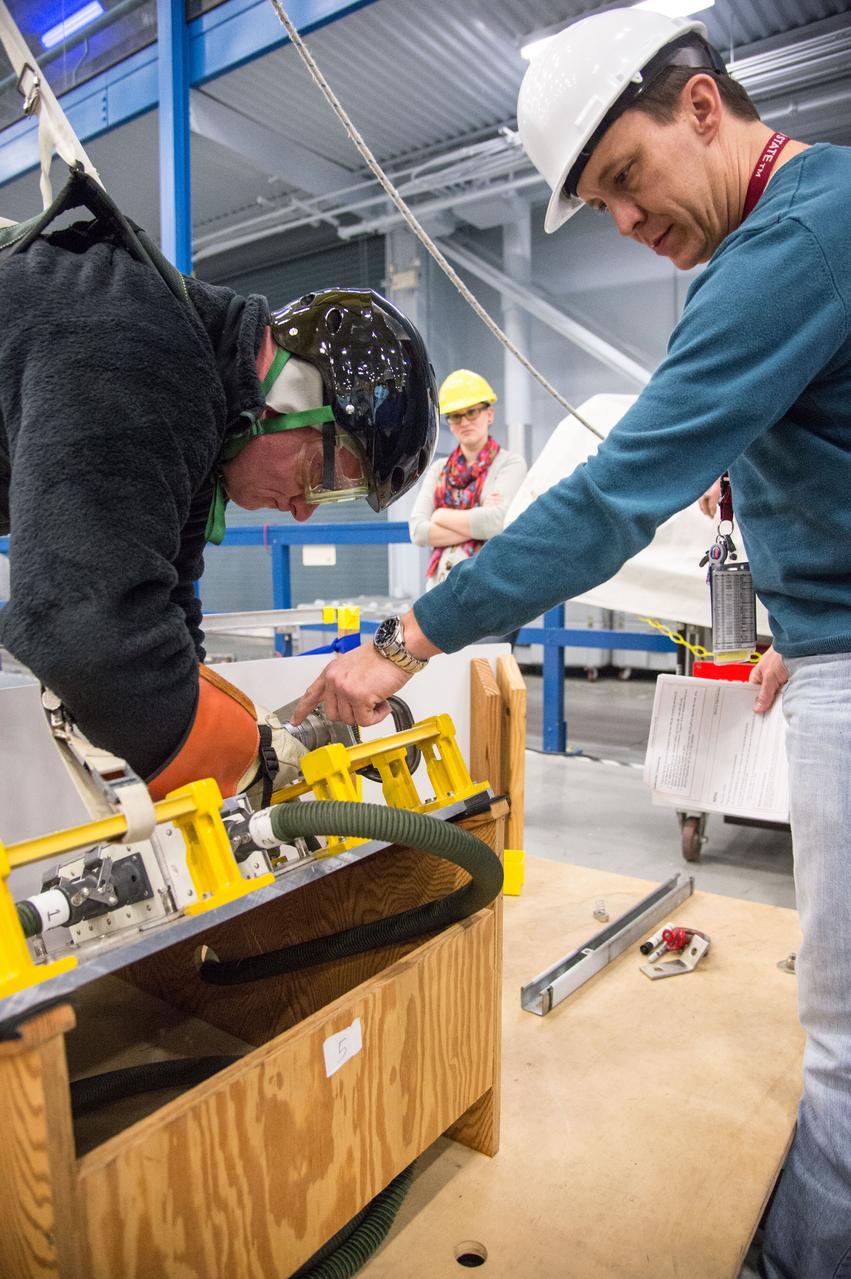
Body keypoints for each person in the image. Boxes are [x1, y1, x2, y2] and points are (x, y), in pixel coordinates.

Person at [293, 9, 851, 1275]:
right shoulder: (804, 228)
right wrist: (797, 620)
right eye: (599, 203)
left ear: (701, 106)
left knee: (841, 1043)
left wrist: (405, 639)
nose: (625, 222)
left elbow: (608, 503)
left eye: (623, 178)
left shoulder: (792, 244)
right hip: (824, 650)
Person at [0, 167, 438, 807]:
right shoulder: (145, 349)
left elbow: (169, 608)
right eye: (323, 477)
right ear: (289, 395)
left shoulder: (202, 411)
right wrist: (251, 763)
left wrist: (239, 735)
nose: (301, 511)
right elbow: (88, 635)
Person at [408, 369, 526, 587]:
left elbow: (497, 522)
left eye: (472, 412)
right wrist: (477, 520)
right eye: (455, 415)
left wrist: (441, 514)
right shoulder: (439, 469)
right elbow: (418, 531)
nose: (464, 422)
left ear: (489, 414)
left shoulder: (510, 464)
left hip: (488, 586)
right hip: (440, 587)